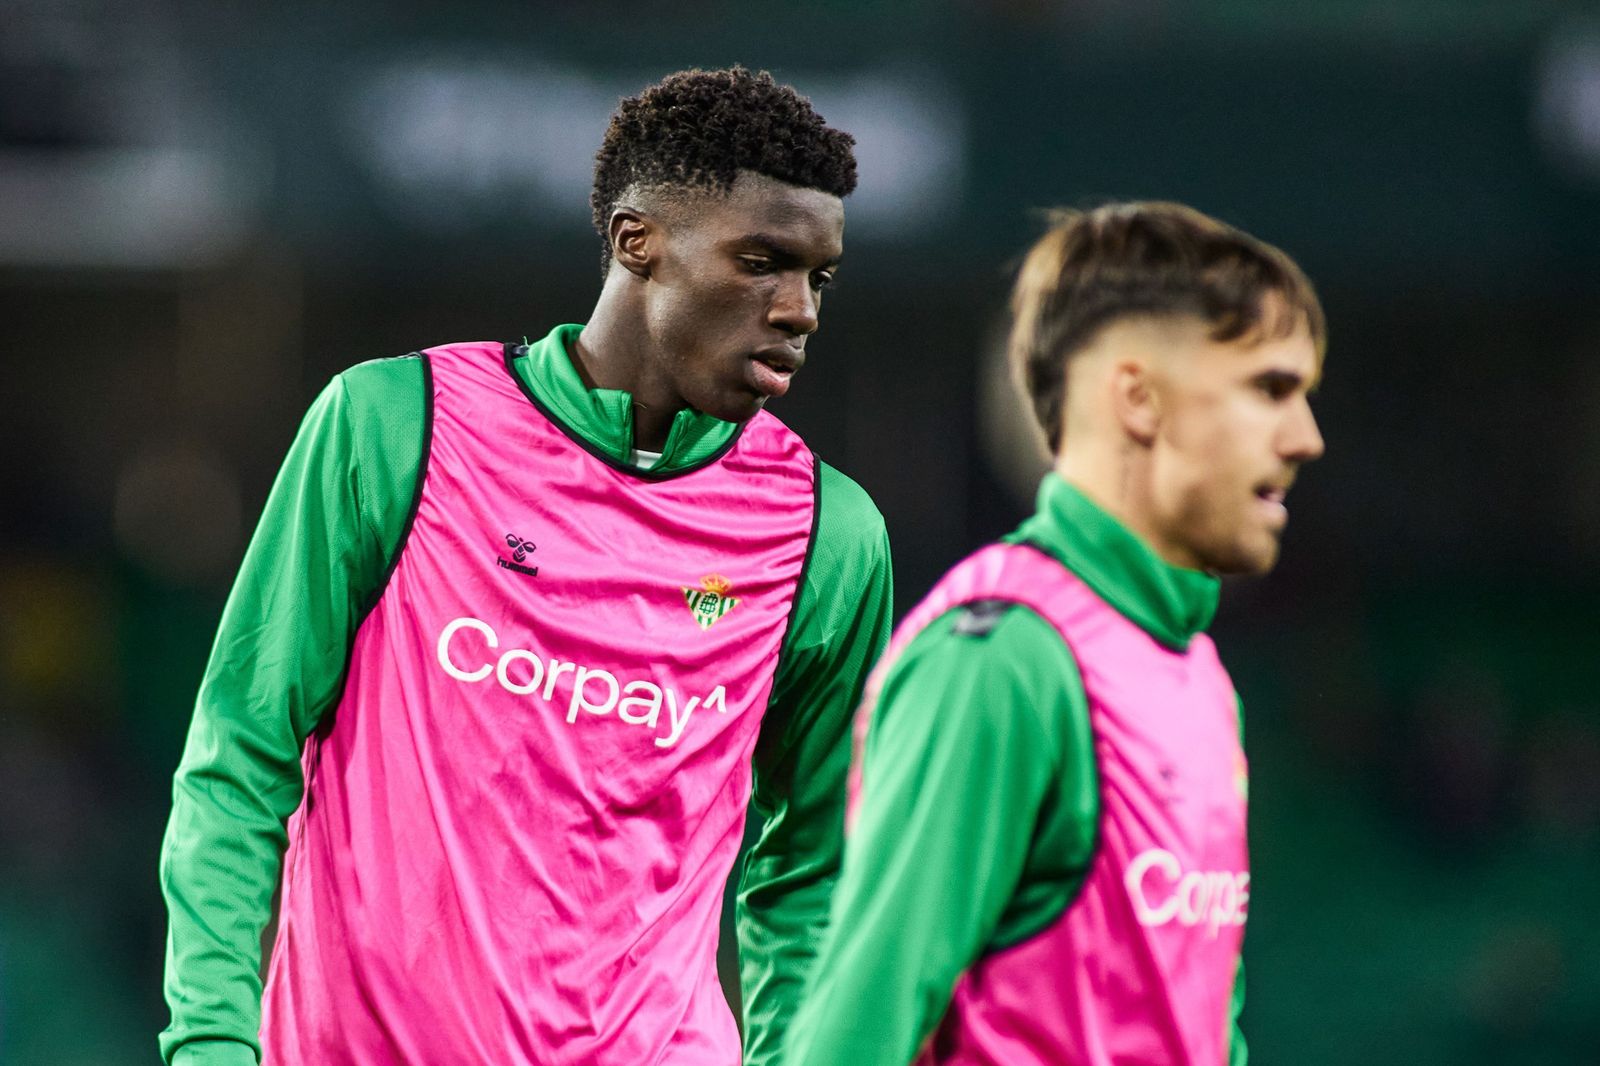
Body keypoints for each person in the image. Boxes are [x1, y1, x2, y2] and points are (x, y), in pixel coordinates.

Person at [159, 66, 892, 1066]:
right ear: (639, 242)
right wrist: (209, 1039)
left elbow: (811, 868)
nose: (799, 307)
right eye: (763, 260)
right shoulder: (394, 428)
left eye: (820, 276)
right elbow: (241, 756)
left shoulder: (826, 534)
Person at [785, 201, 1326, 1066]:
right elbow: (854, 1036)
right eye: (1268, 389)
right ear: (1138, 397)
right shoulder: (1000, 661)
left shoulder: (1199, 675)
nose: (1306, 438)